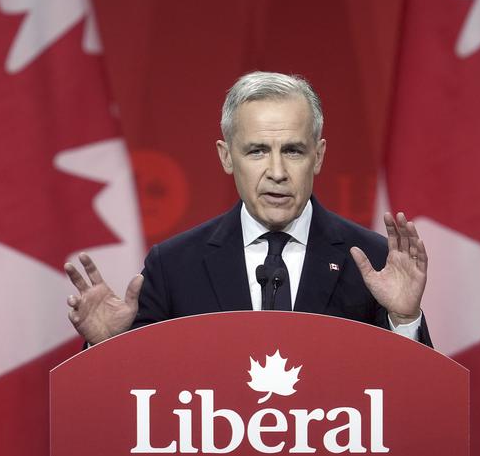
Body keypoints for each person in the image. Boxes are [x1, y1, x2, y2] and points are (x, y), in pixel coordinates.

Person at [65, 71, 432, 347]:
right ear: (227, 157)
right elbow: (139, 402)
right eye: (257, 151)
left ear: (318, 156)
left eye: (293, 151)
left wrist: (404, 319)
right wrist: (106, 347)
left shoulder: (371, 259)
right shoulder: (175, 265)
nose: (276, 173)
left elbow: (410, 405)